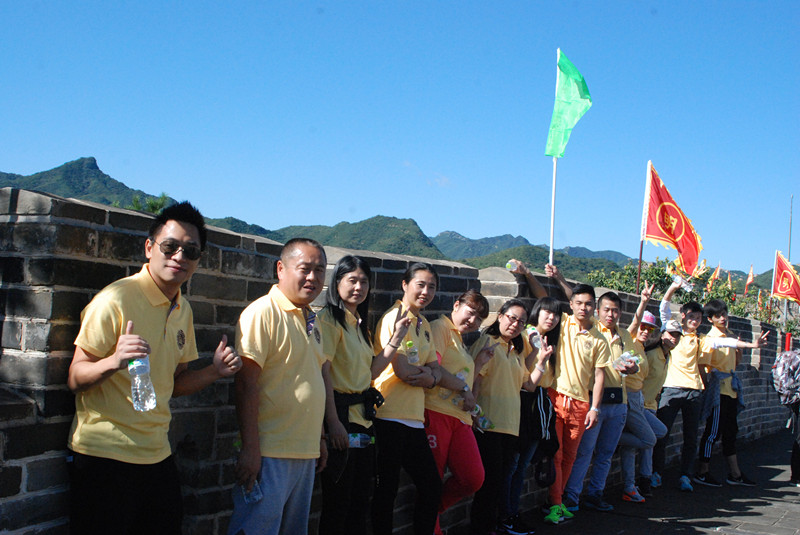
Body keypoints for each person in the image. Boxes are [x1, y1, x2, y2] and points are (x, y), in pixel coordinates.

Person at [66, 201, 243, 535]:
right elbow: (75, 378)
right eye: (170, 246)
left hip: (157, 454)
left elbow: (174, 383)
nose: (179, 256)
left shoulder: (182, 309)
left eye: (191, 251)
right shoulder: (115, 300)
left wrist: (214, 371)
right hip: (105, 454)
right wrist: (113, 362)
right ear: (150, 248)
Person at [230, 238, 328, 535]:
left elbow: (310, 379)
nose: (313, 277)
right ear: (281, 269)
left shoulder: (312, 319)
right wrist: (251, 449)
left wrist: (320, 437)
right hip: (270, 450)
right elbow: (245, 383)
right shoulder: (262, 313)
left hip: (304, 451)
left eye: (319, 270)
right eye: (305, 268)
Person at [317, 255, 412, 535]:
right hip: (341, 419)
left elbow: (370, 371)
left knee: (359, 499)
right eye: (352, 280)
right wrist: (332, 422)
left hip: (363, 422)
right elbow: (323, 372)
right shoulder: (329, 320)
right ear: (337, 283)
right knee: (338, 503)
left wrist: (396, 339)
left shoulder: (358, 324)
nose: (358, 287)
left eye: (364, 282)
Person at [371, 263, 447, 535]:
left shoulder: (423, 323)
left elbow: (436, 369)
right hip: (389, 414)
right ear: (405, 285)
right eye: (420, 285)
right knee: (386, 490)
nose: (426, 292)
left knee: (431, 485)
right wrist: (430, 375)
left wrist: (431, 376)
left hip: (413, 419)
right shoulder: (395, 317)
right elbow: (403, 371)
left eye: (431, 287)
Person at [469, 299, 553, 535]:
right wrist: (473, 413)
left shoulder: (513, 350)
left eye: (521, 322)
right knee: (489, 484)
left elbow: (529, 385)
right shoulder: (488, 343)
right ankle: (481, 529)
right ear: (500, 316)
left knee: (498, 483)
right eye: (512, 318)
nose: (515, 324)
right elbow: (475, 380)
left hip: (509, 426)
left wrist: (540, 359)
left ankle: (491, 526)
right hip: (488, 424)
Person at [541, 264, 610, 525]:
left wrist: (595, 407)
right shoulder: (564, 323)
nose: (583, 308)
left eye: (589, 304)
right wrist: (550, 277)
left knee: (570, 456)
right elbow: (542, 299)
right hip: (555, 396)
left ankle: (557, 501)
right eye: (579, 303)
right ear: (571, 305)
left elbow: (600, 375)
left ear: (595, 307)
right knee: (556, 454)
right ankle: (555, 503)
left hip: (581, 404)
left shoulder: (600, 338)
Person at [562, 291, 639, 513]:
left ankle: (596, 494)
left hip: (619, 402)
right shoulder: (592, 330)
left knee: (605, 454)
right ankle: (572, 496)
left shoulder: (624, 335)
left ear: (621, 312)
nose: (610, 314)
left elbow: (635, 362)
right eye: (606, 310)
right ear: (598, 311)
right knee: (584, 452)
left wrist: (633, 368)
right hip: (594, 402)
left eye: (615, 310)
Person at [424, 289, 490, 535]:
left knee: (473, 477)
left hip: (460, 418)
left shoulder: (460, 340)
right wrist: (463, 389)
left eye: (479, 319)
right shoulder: (440, 328)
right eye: (470, 313)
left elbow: (464, 380)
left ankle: (432, 510)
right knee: (434, 477)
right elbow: (435, 370)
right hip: (436, 412)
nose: (472, 321)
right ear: (456, 305)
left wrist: (479, 363)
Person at [501, 296, 561, 535]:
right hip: (523, 403)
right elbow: (522, 374)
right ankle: (506, 515)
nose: (551, 318)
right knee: (513, 464)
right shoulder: (525, 335)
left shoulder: (550, 340)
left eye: (556, 314)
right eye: (547, 311)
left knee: (522, 464)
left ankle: (512, 513)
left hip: (539, 407)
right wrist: (538, 354)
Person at [694, 299, 768, 487]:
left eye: (724, 314)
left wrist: (740, 352)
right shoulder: (709, 339)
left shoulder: (732, 336)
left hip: (731, 390)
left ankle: (735, 474)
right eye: (718, 315)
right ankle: (702, 471)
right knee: (713, 432)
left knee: (730, 432)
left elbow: (735, 363)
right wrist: (707, 386)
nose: (723, 318)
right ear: (710, 319)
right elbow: (703, 365)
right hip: (718, 390)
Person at [652, 279, 710, 492]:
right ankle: (656, 473)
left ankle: (686, 475)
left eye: (698, 318)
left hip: (694, 391)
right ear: (683, 316)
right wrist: (673, 287)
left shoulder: (701, 339)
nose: (695, 321)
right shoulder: (673, 332)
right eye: (691, 317)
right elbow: (663, 307)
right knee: (662, 434)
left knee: (691, 437)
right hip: (671, 388)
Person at [617, 281, 668, 502]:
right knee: (649, 439)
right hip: (628, 398)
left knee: (659, 432)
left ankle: (630, 487)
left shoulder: (643, 349)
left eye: (650, 329)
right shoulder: (628, 339)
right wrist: (644, 301)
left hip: (639, 400)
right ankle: (614, 438)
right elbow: (635, 321)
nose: (645, 331)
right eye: (643, 328)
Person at [643, 319, 683, 491]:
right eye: (671, 334)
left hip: (651, 405)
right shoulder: (652, 355)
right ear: (662, 334)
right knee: (655, 436)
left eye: (677, 336)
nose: (674, 338)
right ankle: (645, 479)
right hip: (640, 405)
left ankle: (645, 479)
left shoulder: (667, 356)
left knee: (647, 444)